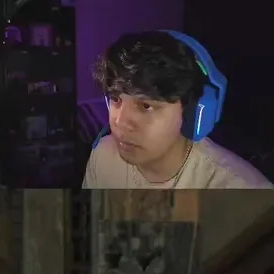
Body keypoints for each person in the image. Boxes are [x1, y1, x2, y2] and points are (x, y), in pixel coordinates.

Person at [83, 30, 272, 190]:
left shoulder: (244, 192)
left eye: (146, 106)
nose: (120, 122)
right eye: (116, 99)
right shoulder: (103, 157)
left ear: (192, 111)